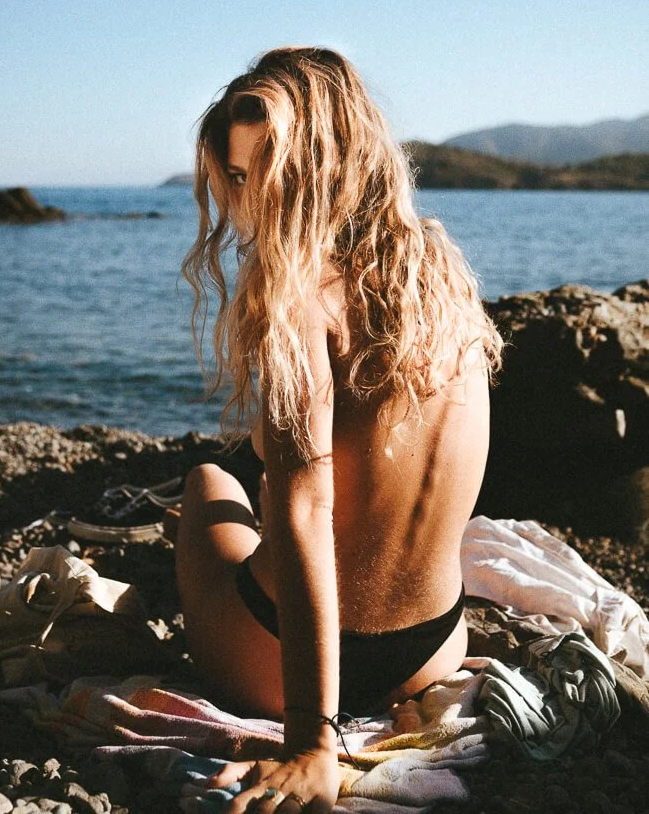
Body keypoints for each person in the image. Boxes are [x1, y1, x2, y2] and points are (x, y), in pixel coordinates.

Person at [175, 47, 503, 813]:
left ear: (322, 164)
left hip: (277, 661)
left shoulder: (296, 302)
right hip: (433, 648)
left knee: (208, 483)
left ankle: (312, 707)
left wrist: (312, 740)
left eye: (260, 172)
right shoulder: (439, 273)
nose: (249, 195)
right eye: (236, 175)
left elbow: (304, 512)